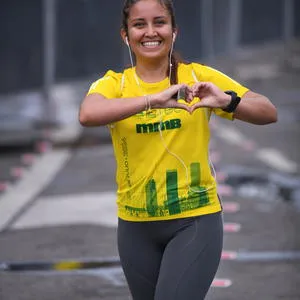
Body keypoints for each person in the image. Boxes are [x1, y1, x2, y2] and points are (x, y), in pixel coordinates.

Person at [79, 0, 277, 299]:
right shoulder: (114, 84)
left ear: (174, 31)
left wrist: (227, 101)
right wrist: (152, 100)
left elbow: (267, 111)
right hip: (135, 227)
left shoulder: (198, 77)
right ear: (125, 34)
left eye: (159, 22)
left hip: (195, 221)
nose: (150, 32)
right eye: (139, 24)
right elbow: (87, 114)